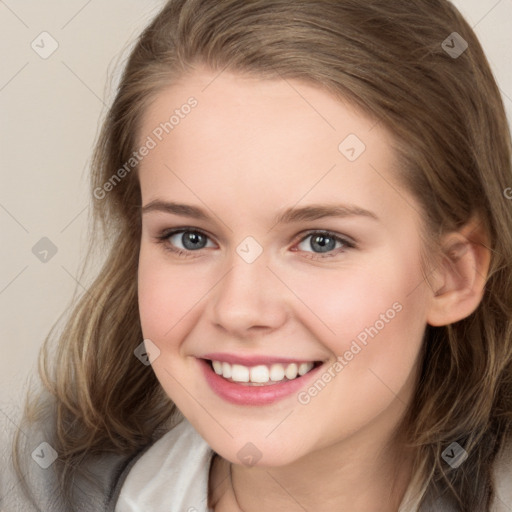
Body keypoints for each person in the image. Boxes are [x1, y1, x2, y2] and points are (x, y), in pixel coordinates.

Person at [3, 0, 512, 510]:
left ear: (451, 275)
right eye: (190, 237)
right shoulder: (41, 488)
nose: (239, 309)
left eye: (321, 241)